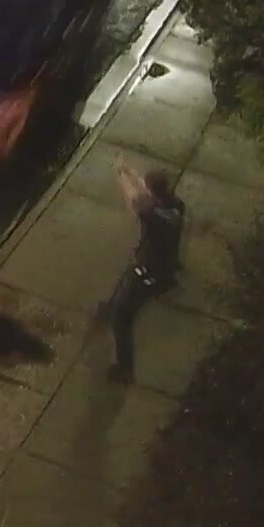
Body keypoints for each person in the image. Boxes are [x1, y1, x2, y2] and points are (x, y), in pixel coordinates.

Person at [105, 157, 185, 383]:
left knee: (121, 320)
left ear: (152, 194)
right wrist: (129, 168)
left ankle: (124, 368)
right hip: (163, 264)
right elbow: (145, 188)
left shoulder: (150, 214)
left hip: (149, 274)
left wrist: (121, 175)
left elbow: (134, 197)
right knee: (121, 297)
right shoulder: (176, 205)